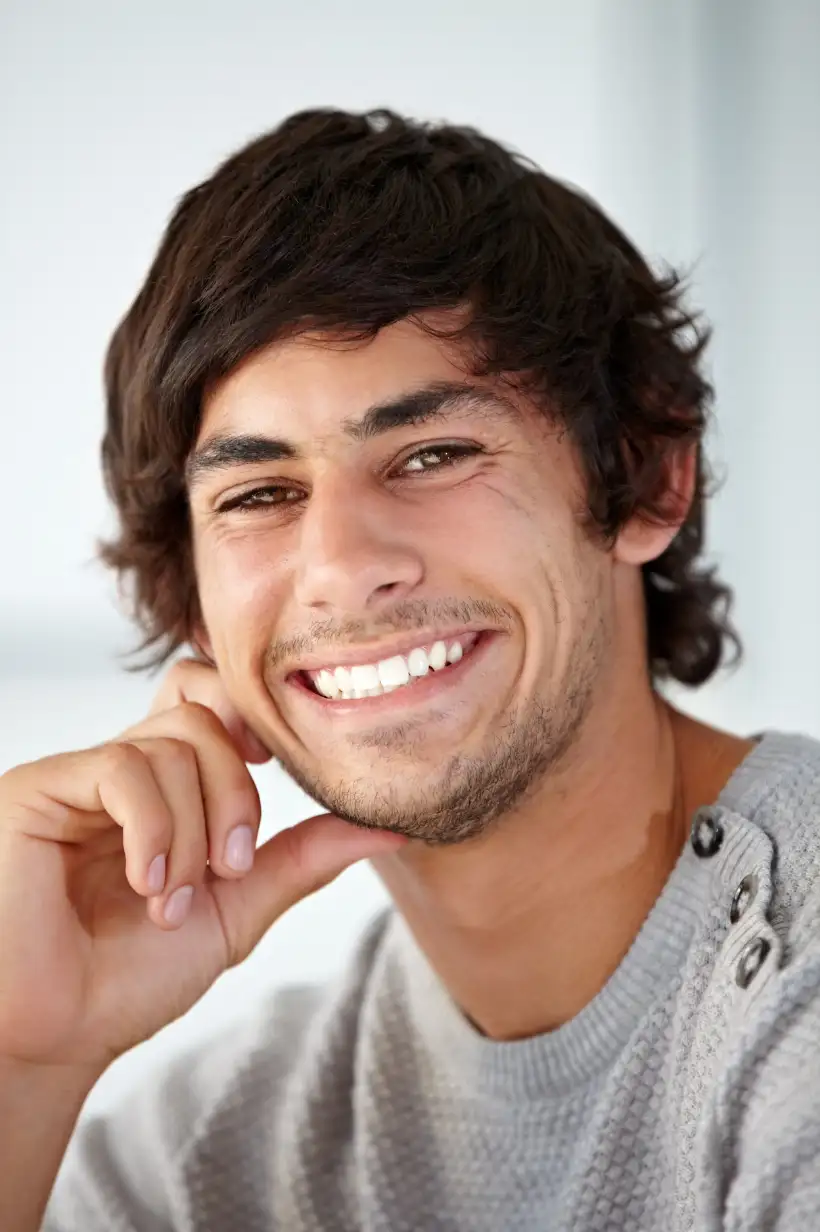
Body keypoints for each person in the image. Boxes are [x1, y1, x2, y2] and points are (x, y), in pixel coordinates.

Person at [1, 107, 819, 1232]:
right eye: (259, 494)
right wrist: (22, 1067)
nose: (340, 568)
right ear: (192, 603)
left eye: (432, 454)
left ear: (643, 479)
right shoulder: (198, 1161)